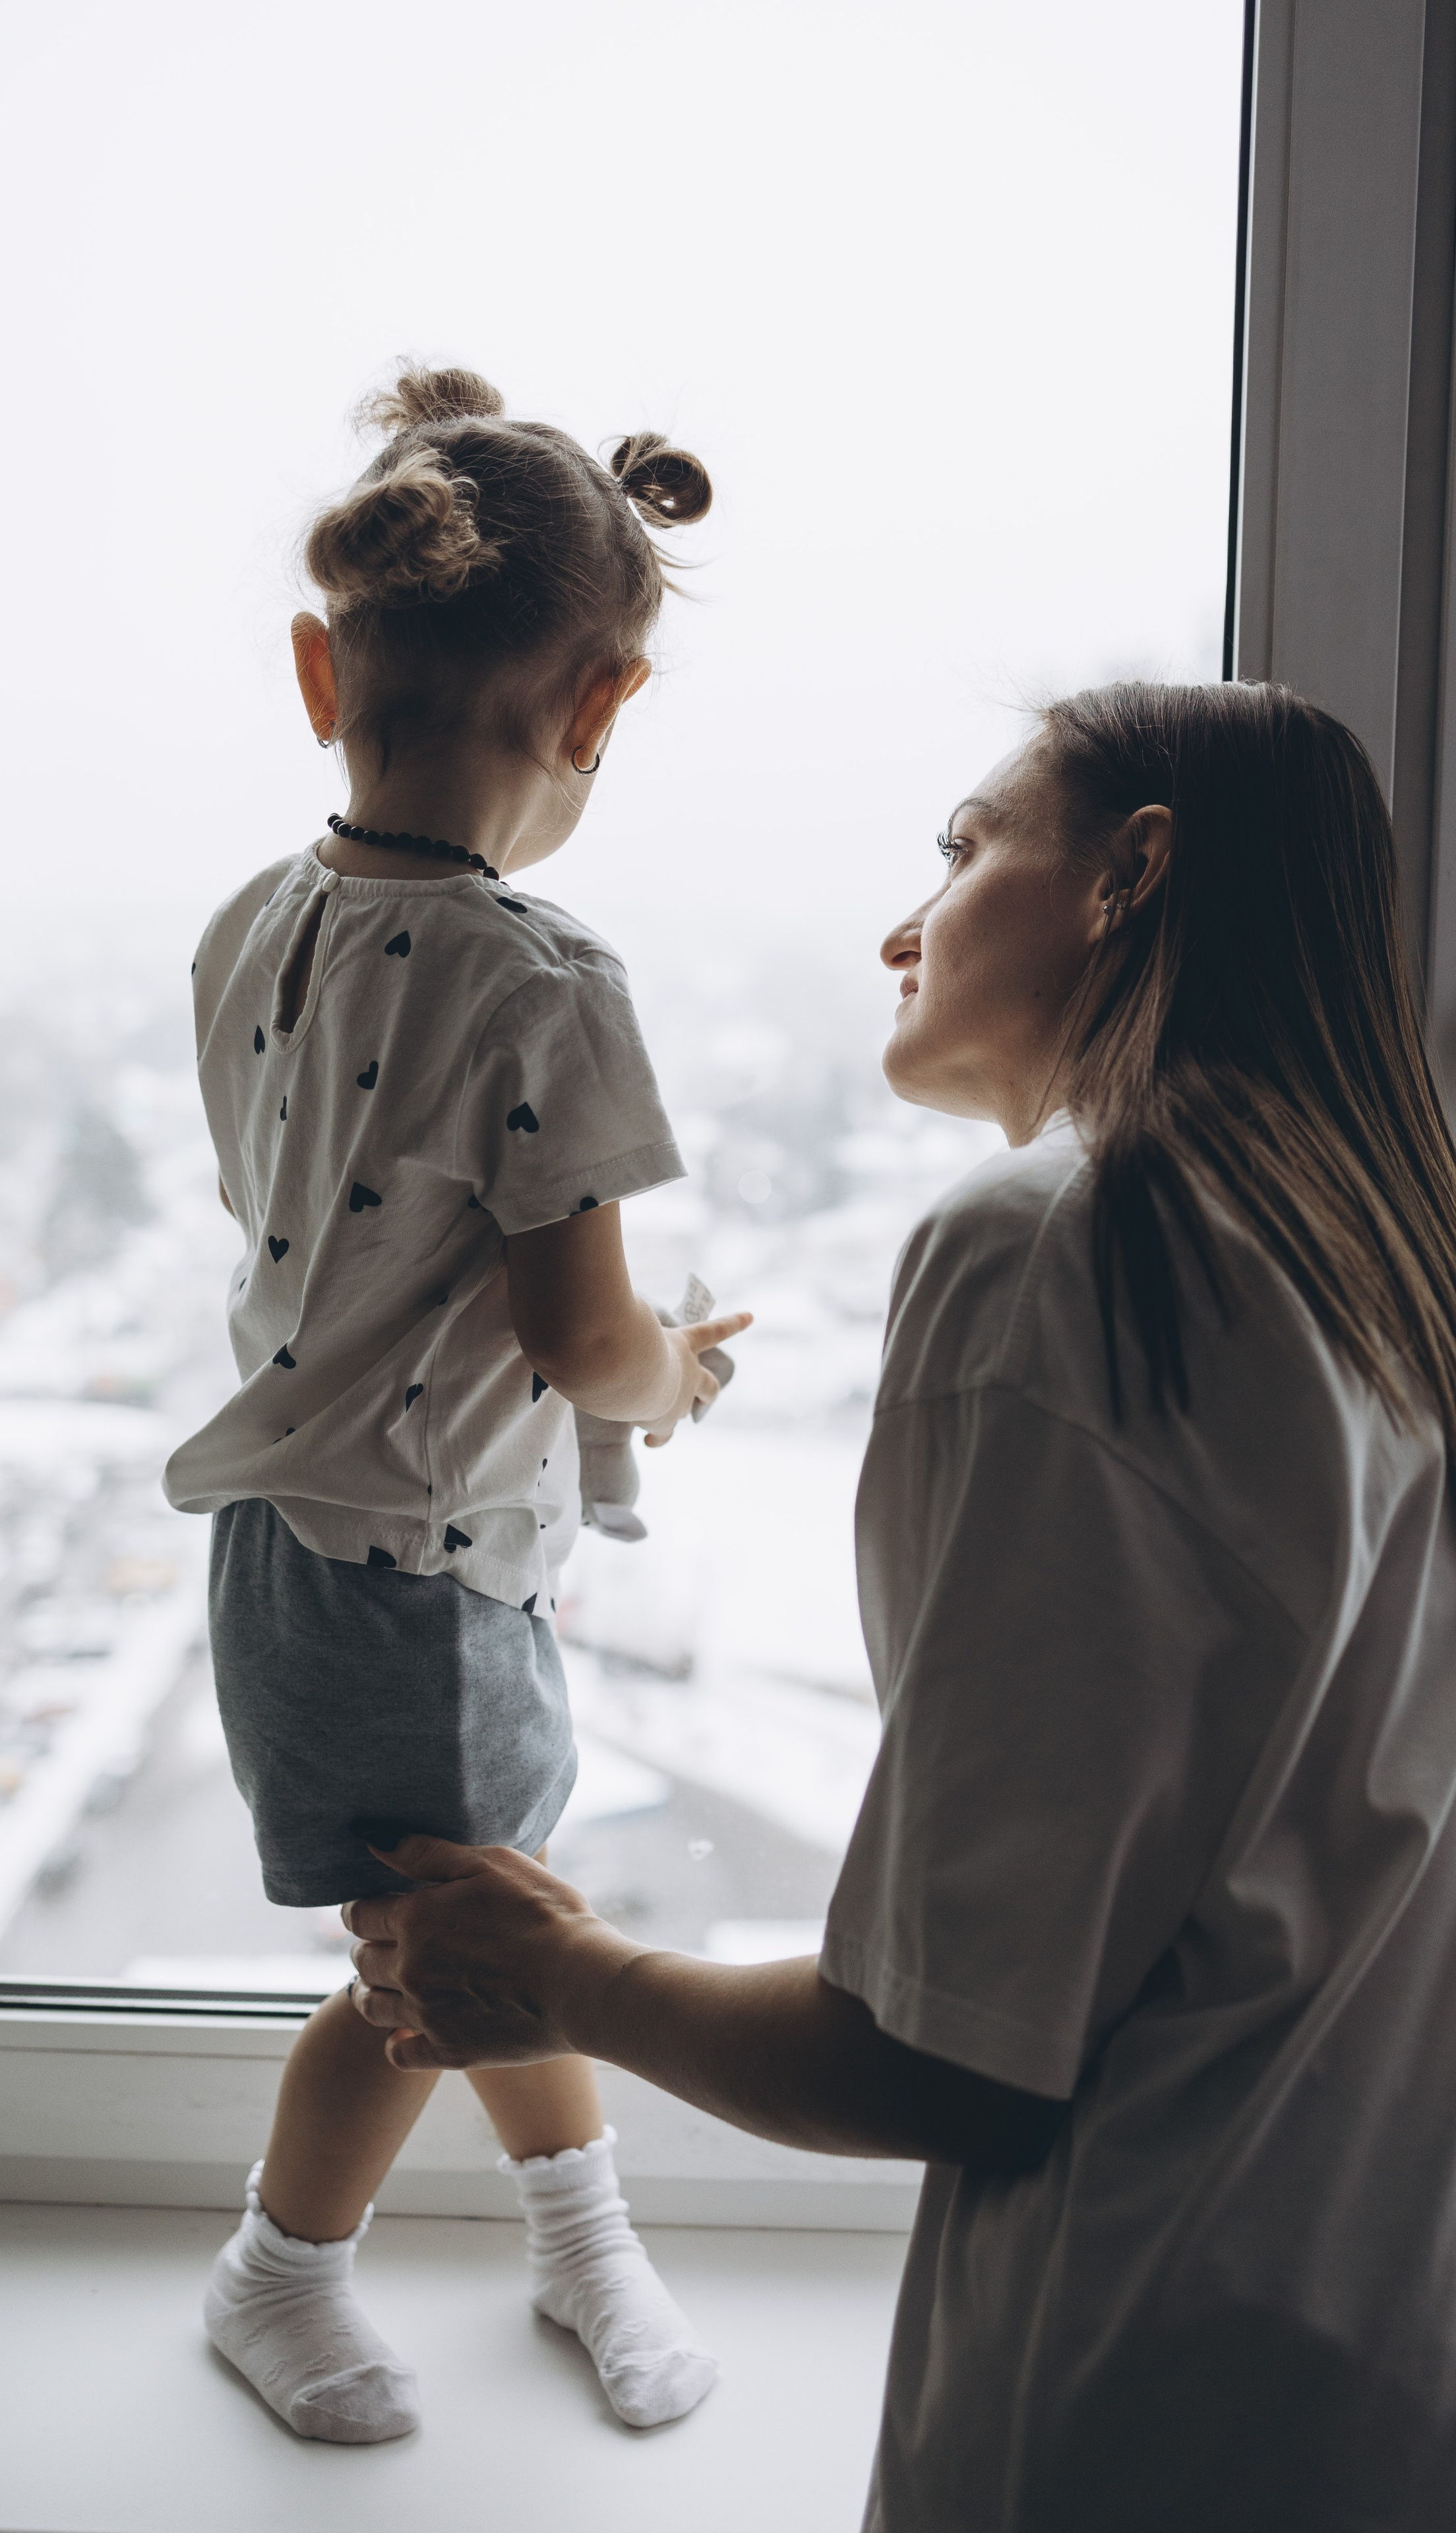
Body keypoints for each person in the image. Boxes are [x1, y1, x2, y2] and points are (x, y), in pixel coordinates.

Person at [342, 681, 1456, 2530]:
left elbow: (939, 2052)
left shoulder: (1075, 1249)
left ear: (1131, 875)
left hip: (1212, 2420)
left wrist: (562, 1974)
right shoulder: (1399, 1265)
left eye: (964, 849)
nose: (903, 928)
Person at [162, 363, 748, 2446]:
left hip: (303, 1542)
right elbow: (586, 1342)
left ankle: (574, 2238)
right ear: (601, 706)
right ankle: (285, 2272)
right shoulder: (543, 983)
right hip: (408, 1573)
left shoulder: (258, 922)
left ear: (324, 665)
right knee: (444, 1954)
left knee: (490, 1920)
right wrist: (678, 1369)